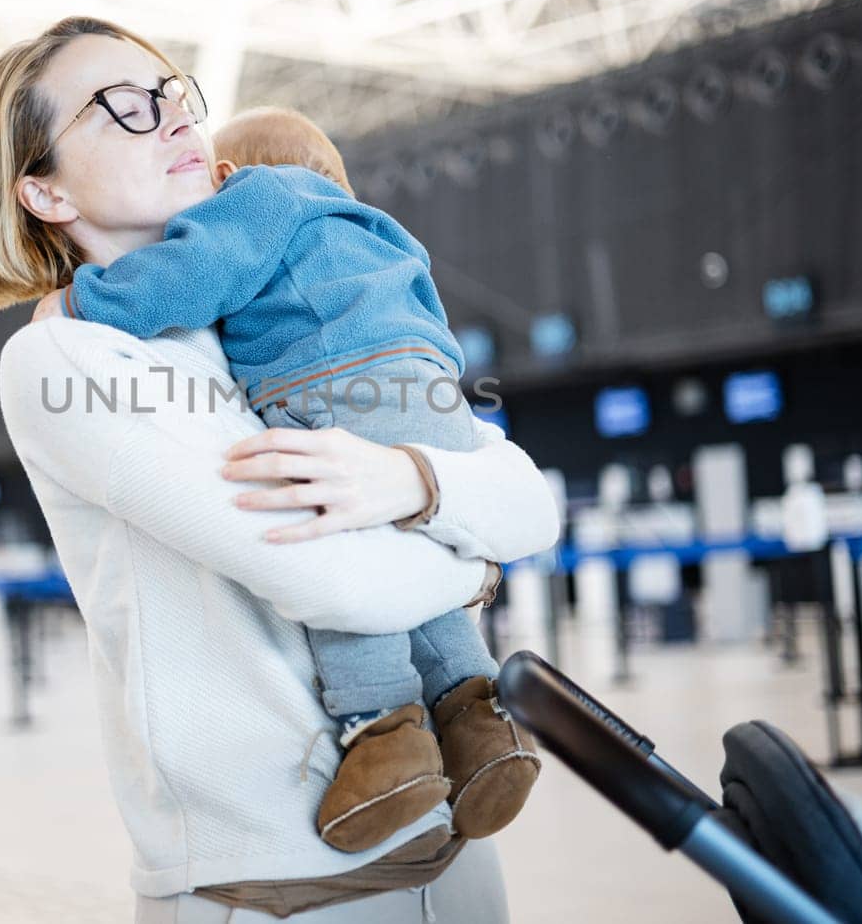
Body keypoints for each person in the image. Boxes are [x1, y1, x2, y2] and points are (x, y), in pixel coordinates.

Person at [0, 16, 561, 921]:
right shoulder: (67, 356)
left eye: (171, 95)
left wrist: (415, 483)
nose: (168, 119)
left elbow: (532, 501)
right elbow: (336, 576)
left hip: (453, 859)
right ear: (40, 190)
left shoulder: (267, 321)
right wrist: (471, 548)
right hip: (280, 889)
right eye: (120, 107)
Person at [39, 104, 539, 854]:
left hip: (333, 384)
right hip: (435, 391)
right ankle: (479, 720)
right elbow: (511, 492)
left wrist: (82, 301)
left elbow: (188, 275)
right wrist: (462, 555)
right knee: (394, 531)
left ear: (230, 178)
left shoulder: (258, 198)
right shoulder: (375, 227)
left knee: (325, 518)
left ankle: (385, 732)